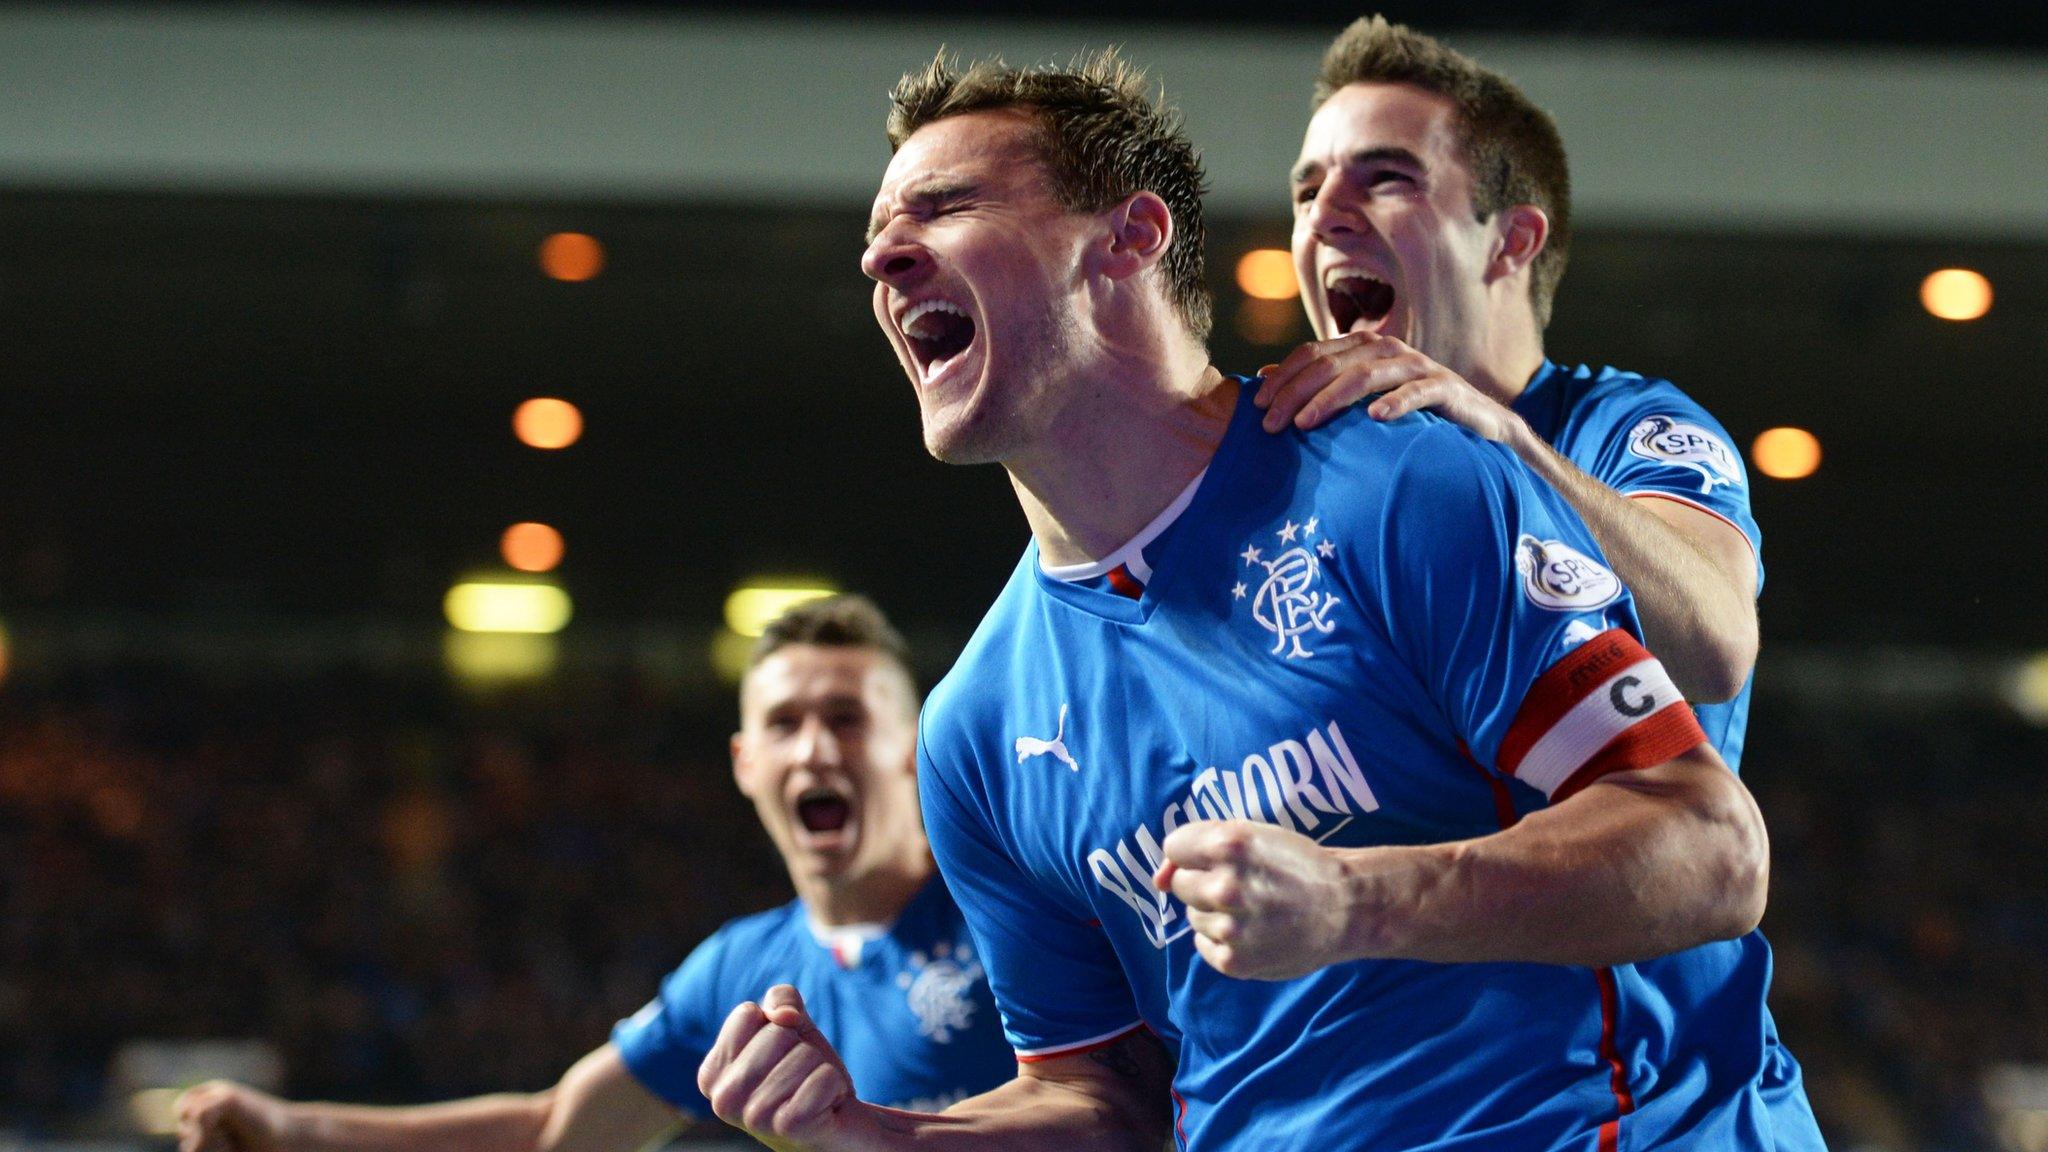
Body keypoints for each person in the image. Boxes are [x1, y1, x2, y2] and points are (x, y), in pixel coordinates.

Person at [698, 49, 1812, 1151]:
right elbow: (1103, 1097)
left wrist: (1349, 902)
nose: (882, 258)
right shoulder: (971, 730)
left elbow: (1712, 847)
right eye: (878, 233)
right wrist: (882, 1135)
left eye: (943, 209)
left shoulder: (1413, 482)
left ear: (1131, 237)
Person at [1253, 17, 1817, 1144]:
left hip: (1648, 1114)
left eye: (1386, 178)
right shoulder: (1300, 492)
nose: (1326, 215)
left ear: (1509, 241)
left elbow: (1714, 637)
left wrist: (1504, 446)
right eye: (1309, 186)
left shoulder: (1621, 427)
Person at [176, 596, 1014, 1152]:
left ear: (914, 746)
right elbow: (555, 1132)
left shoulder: (1014, 915)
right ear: (745, 762)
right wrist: (293, 1130)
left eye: (847, 718)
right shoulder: (740, 970)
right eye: (784, 724)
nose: (816, 748)